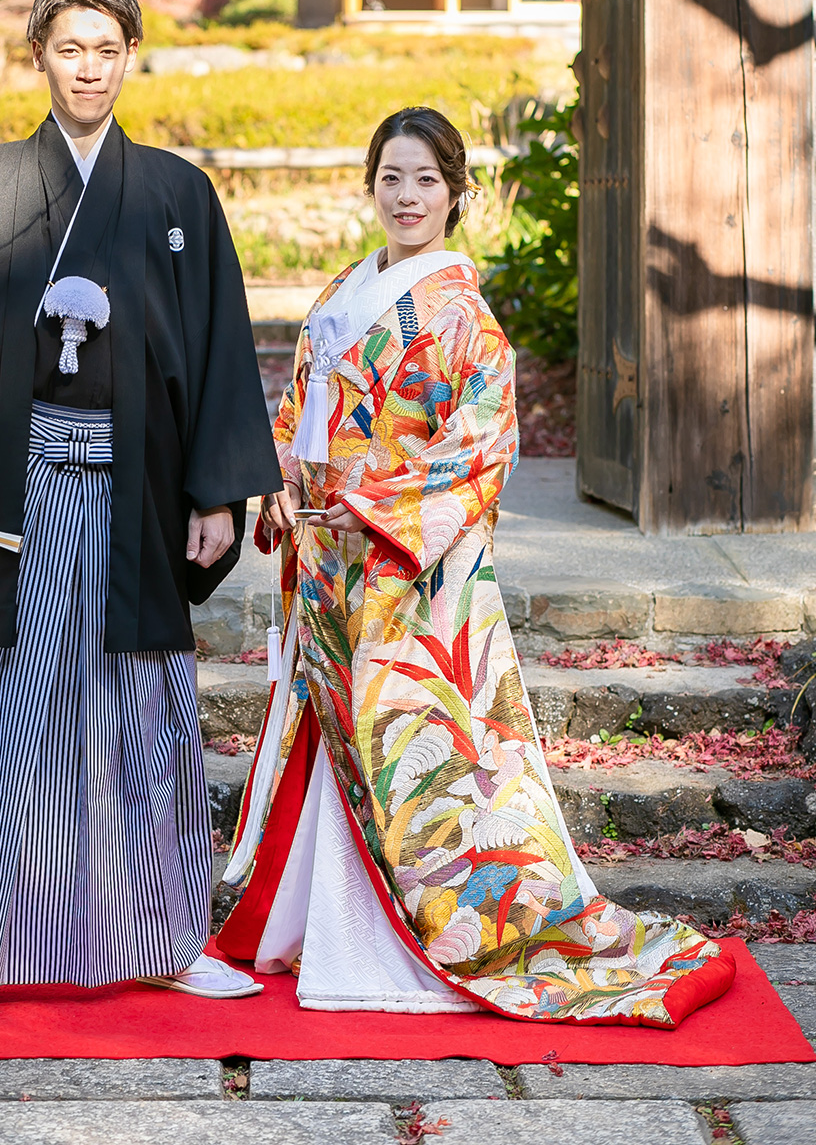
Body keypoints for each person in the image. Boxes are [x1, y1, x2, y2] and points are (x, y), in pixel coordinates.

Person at [217, 107, 734, 1025]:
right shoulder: (348, 286)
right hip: (330, 559)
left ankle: (417, 936)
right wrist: (282, 479)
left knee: (415, 751)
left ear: (457, 194)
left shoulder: (464, 317)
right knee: (343, 743)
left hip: (405, 570)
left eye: (425, 180)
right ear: (370, 185)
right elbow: (301, 406)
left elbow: (483, 446)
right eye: (390, 178)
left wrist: (369, 505)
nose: (406, 196)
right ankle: (324, 926)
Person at [0, 0, 280, 1019]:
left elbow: (219, 351)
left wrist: (217, 492)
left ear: (129, 57)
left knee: (139, 712)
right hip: (8, 498)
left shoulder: (179, 195)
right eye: (70, 48)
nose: (89, 67)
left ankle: (166, 938)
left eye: (107, 49)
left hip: (133, 493)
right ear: (41, 57)